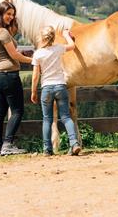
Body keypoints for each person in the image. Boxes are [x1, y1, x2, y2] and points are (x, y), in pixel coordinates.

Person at [0, 0, 32, 156]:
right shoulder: (3, 33)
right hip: (9, 76)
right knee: (17, 110)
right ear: (0, 13)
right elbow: (14, 55)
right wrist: (34, 60)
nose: (11, 17)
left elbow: (2, 49)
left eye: (13, 15)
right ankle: (8, 144)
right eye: (8, 14)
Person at [30, 26, 81, 156]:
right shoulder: (58, 48)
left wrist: (33, 92)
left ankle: (47, 149)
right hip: (60, 86)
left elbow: (35, 76)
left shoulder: (38, 54)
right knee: (66, 117)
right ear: (53, 37)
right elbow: (72, 46)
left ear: (41, 38)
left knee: (47, 119)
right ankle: (74, 143)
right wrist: (66, 35)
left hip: (47, 88)